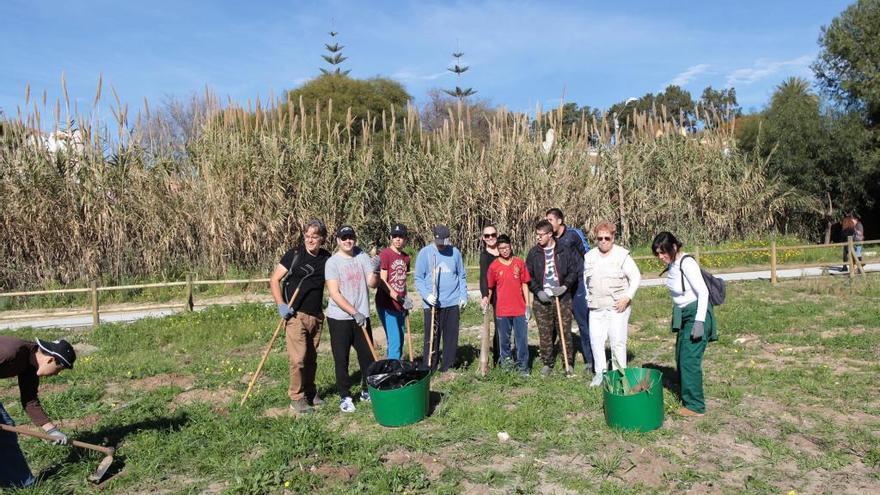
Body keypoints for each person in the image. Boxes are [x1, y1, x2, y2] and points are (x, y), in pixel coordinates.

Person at [652, 231, 718, 417]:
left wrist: (699, 322)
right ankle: (685, 389)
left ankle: (695, 406)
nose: (661, 257)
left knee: (689, 360)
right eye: (657, 253)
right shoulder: (673, 263)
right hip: (684, 315)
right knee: (681, 354)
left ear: (674, 247)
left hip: (696, 314)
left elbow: (703, 292)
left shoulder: (686, 263)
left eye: (663, 252)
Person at [269, 219, 331, 414]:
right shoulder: (294, 255)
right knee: (298, 359)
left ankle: (310, 392)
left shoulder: (326, 258)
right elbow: (274, 279)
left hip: (316, 316)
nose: (310, 240)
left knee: (311, 358)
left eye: (314, 236)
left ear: (322, 238)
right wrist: (281, 304)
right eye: (307, 236)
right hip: (295, 315)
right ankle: (296, 397)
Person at [1, 336, 76, 488]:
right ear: (50, 360)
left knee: (4, 431)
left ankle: (18, 484)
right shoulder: (11, 352)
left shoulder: (29, 365)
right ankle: (22, 484)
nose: (56, 374)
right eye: (59, 369)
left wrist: (52, 431)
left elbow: (30, 401)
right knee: (5, 431)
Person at [324, 225, 380, 413]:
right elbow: (334, 293)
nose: (348, 241)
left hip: (362, 317)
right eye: (344, 237)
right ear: (338, 240)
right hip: (340, 318)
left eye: (351, 237)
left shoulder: (362, 256)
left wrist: (376, 270)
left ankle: (366, 390)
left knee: (368, 357)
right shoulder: (333, 263)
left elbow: (371, 284)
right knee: (342, 358)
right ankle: (345, 396)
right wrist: (353, 311)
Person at [583, 221, 641, 387]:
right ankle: (600, 373)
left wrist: (627, 297)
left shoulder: (622, 255)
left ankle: (619, 374)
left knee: (617, 342)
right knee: (596, 340)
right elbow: (586, 281)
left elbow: (636, 277)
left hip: (617, 307)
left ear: (613, 237)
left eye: (607, 238)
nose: (603, 241)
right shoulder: (589, 256)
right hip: (596, 307)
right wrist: (589, 298)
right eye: (599, 238)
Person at [526, 219, 579, 377]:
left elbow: (573, 271)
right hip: (542, 300)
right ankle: (547, 363)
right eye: (537, 235)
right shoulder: (533, 253)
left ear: (550, 234)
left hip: (562, 298)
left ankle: (568, 364)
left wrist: (564, 287)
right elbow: (528, 276)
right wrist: (537, 291)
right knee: (545, 333)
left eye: (541, 235)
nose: (538, 238)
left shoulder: (564, 250)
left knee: (565, 331)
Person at [414, 225, 468, 372]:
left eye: (444, 242)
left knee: (451, 337)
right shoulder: (425, 253)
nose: (441, 245)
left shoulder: (455, 253)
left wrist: (463, 296)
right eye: (439, 242)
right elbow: (418, 278)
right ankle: (430, 365)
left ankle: (448, 366)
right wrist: (427, 295)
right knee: (432, 336)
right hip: (433, 304)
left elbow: (461, 276)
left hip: (452, 301)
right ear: (434, 238)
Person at [545, 208, 592, 374]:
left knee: (583, 323)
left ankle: (590, 361)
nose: (548, 223)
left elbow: (588, 254)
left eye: (550, 220)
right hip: (561, 287)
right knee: (557, 325)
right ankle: (550, 360)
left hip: (578, 283)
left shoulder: (573, 234)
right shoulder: (549, 239)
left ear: (559, 221)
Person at [487, 234, 532, 374]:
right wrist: (486, 302)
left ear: (510, 246)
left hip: (519, 309)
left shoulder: (519, 263)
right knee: (504, 341)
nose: (504, 250)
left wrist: (528, 305)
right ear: (498, 250)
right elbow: (490, 288)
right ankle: (506, 367)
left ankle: (523, 368)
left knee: (521, 341)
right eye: (501, 248)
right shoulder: (494, 266)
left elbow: (525, 284)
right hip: (502, 311)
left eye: (506, 247)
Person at [375, 223, 414, 360]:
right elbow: (382, 281)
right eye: (395, 236)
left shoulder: (406, 257)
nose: (398, 239)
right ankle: (393, 374)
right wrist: (398, 298)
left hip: (401, 305)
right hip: (387, 304)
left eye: (401, 236)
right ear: (391, 237)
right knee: (395, 341)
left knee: (401, 339)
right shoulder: (385, 254)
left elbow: (402, 281)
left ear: (405, 238)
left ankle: (395, 366)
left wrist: (405, 299)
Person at [478, 224, 500, 364]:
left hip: (509, 292)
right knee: (499, 326)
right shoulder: (485, 256)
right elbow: (483, 277)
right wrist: (485, 295)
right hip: (496, 295)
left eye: (493, 235)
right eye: (487, 236)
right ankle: (498, 358)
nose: (491, 238)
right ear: (483, 238)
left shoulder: (505, 249)